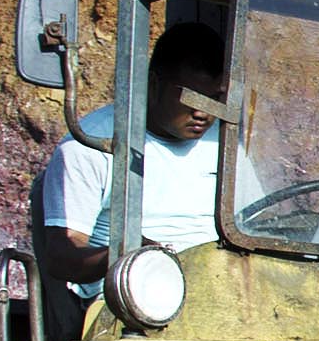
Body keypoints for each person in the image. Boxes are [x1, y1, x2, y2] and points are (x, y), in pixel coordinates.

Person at [38, 21, 237, 290]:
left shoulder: (228, 142)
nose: (202, 113)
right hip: (131, 297)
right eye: (191, 98)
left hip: (221, 290)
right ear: (153, 84)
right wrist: (127, 255)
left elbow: (255, 224)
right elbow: (62, 256)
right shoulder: (91, 143)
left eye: (213, 99)